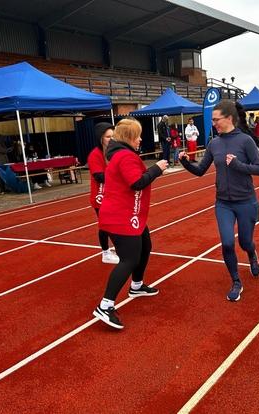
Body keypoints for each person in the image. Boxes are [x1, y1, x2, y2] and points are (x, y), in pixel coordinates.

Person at [178, 100, 259, 302]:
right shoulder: (214, 143)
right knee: (226, 243)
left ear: (228, 118)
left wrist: (237, 164)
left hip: (245, 201)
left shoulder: (246, 141)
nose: (213, 123)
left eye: (216, 120)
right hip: (223, 203)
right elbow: (200, 171)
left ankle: (252, 255)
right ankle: (236, 281)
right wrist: (184, 161)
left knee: (244, 242)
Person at [93, 118, 168, 329]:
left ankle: (136, 285)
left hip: (127, 214)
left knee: (145, 246)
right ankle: (105, 305)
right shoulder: (124, 156)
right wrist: (157, 168)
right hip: (120, 217)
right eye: (138, 135)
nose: (141, 139)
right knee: (129, 259)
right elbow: (136, 182)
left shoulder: (121, 155)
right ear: (129, 137)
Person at [87, 122, 119, 265]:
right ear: (100, 138)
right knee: (105, 225)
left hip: (113, 194)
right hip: (100, 195)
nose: (111, 139)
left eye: (113, 136)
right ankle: (105, 252)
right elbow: (99, 176)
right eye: (107, 137)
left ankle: (117, 248)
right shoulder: (95, 155)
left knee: (116, 222)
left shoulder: (114, 152)